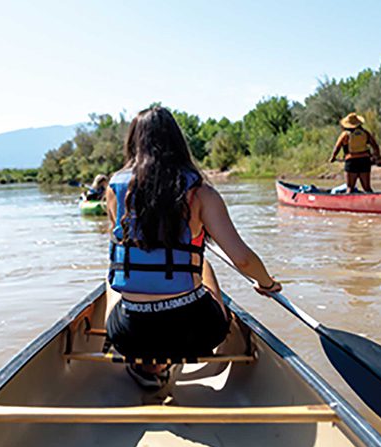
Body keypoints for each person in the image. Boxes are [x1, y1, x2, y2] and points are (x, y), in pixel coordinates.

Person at [105, 107, 282, 390]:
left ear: (133, 143)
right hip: (196, 332)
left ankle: (151, 365)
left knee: (112, 275)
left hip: (130, 335)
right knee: (203, 265)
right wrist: (267, 283)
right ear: (177, 143)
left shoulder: (114, 190)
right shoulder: (201, 193)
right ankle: (164, 360)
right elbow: (243, 260)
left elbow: (124, 248)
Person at [329, 113, 381, 193]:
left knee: (350, 187)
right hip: (365, 161)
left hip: (351, 162)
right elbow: (375, 146)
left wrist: (333, 157)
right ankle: (372, 203)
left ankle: (349, 204)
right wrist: (377, 159)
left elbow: (337, 147)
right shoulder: (365, 133)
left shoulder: (345, 135)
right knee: (367, 188)